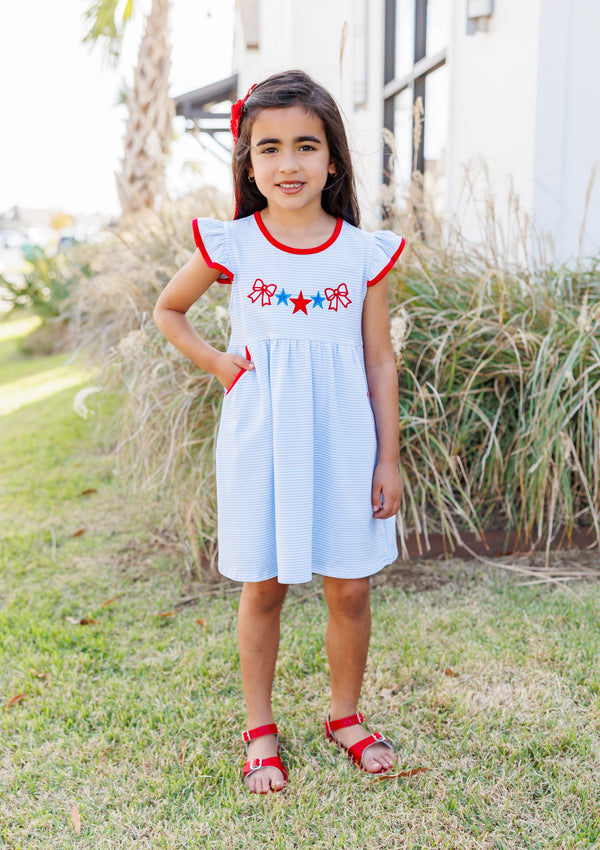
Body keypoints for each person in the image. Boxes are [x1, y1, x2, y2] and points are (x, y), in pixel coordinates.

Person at [153, 70, 405, 794]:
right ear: (248, 163)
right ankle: (260, 724)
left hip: (346, 438)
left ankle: (343, 714)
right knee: (262, 587)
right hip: (262, 439)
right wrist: (219, 365)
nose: (288, 164)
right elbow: (170, 311)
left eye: (306, 146)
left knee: (349, 588)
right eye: (269, 149)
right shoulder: (234, 243)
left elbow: (380, 359)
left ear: (333, 160)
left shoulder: (364, 253)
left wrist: (389, 457)